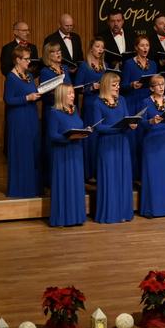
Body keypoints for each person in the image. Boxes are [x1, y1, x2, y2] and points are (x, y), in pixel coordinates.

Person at [92, 72, 137, 223]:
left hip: (122, 142)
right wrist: (118, 127)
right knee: (110, 177)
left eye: (118, 84)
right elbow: (98, 127)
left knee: (122, 176)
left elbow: (127, 118)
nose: (117, 87)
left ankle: (123, 212)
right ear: (106, 85)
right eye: (114, 85)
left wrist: (131, 125)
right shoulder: (97, 103)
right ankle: (110, 213)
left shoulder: (122, 100)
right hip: (107, 144)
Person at [3, 46, 41, 197]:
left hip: (31, 115)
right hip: (19, 118)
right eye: (26, 59)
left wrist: (39, 93)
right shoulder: (11, 78)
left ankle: (33, 188)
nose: (29, 61)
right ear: (17, 60)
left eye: (29, 58)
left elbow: (33, 91)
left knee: (33, 151)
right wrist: (27, 98)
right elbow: (8, 99)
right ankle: (20, 189)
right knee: (22, 151)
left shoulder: (29, 75)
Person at [47, 83, 87, 227]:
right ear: (62, 95)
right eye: (69, 93)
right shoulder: (54, 112)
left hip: (76, 151)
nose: (73, 96)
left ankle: (76, 217)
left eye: (73, 93)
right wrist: (68, 138)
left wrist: (84, 131)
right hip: (63, 153)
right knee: (64, 184)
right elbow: (52, 135)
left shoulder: (74, 110)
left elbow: (78, 125)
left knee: (76, 184)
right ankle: (63, 218)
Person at [139, 74, 165, 218]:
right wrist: (151, 122)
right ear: (151, 88)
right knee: (153, 175)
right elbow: (141, 123)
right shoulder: (145, 102)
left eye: (163, 84)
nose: (161, 87)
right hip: (152, 140)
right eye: (158, 85)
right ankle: (151, 209)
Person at [121, 35, 157, 179]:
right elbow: (122, 86)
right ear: (136, 47)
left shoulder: (153, 64)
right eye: (142, 45)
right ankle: (133, 174)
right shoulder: (129, 64)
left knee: (145, 137)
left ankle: (144, 173)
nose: (145, 48)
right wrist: (132, 85)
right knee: (134, 138)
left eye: (147, 45)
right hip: (133, 102)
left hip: (147, 102)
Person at [39, 42, 73, 185]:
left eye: (59, 50)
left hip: (67, 111)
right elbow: (44, 94)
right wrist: (59, 95)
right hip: (53, 111)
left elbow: (70, 87)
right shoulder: (45, 71)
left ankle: (66, 176)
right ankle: (51, 180)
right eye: (54, 52)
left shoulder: (65, 68)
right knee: (53, 143)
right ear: (48, 55)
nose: (58, 53)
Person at [74, 37, 107, 181]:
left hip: (103, 104)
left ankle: (100, 170)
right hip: (90, 105)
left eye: (102, 47)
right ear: (91, 48)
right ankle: (89, 172)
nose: (100, 49)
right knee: (91, 138)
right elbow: (78, 88)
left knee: (101, 137)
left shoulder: (105, 65)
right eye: (97, 46)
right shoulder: (84, 66)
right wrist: (91, 87)